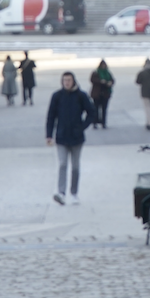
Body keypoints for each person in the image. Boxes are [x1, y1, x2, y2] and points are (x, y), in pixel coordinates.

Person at [46, 72, 96, 205]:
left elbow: (91, 112)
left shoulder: (81, 96)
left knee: (75, 166)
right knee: (62, 164)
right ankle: (61, 193)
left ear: (73, 81)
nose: (67, 83)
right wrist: (49, 135)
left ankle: (74, 193)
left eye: (69, 80)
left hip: (76, 137)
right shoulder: (57, 96)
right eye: (64, 80)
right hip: (61, 136)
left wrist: (82, 126)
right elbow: (51, 116)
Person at [135, 58, 150, 131]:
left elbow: (137, 81)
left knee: (147, 108)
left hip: (145, 92)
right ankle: (148, 122)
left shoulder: (142, 73)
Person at [89, 59, 115, 128]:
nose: (103, 67)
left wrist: (110, 83)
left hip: (106, 93)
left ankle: (103, 123)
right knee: (96, 109)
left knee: (104, 109)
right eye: (102, 65)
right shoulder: (95, 72)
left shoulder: (108, 73)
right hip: (97, 94)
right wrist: (101, 81)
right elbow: (92, 80)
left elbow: (112, 80)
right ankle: (95, 122)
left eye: (104, 65)